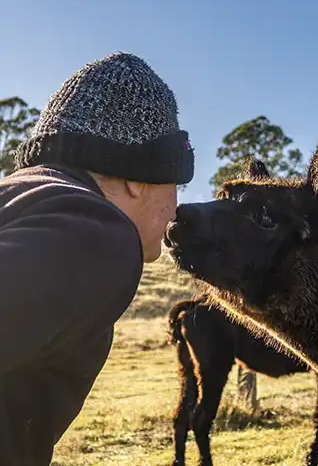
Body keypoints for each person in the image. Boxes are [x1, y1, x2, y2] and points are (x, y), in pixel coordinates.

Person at [0, 52, 194, 465]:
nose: (177, 210)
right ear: (139, 177)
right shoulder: (97, 233)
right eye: (177, 184)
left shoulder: (22, 200)